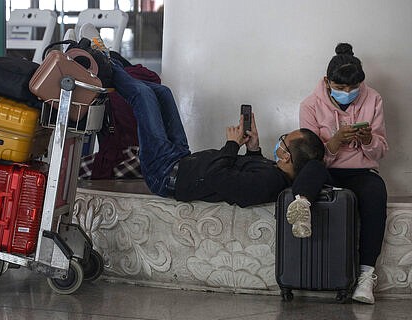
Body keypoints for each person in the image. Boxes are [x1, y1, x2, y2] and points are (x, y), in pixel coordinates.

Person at [78, 24, 325, 208]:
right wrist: (253, 149)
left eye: (283, 141)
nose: (279, 143)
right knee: (163, 93)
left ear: (286, 157)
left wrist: (231, 144)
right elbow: (246, 171)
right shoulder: (274, 173)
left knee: (142, 96)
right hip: (181, 160)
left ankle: (102, 62)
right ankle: (108, 64)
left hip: (163, 174)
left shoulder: (270, 183)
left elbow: (219, 179)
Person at [288, 43, 389, 304]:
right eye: (341, 88)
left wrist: (368, 140)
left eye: (353, 88)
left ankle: (366, 277)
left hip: (360, 172)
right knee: (313, 166)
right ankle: (301, 204)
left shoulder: (374, 99)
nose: (348, 93)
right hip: (326, 171)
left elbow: (380, 152)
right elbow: (307, 154)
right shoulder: (310, 105)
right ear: (327, 81)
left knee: (376, 191)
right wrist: (333, 143)